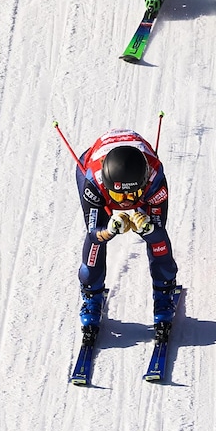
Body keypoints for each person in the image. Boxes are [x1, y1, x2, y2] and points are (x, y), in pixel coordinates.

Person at [75, 129, 179, 335]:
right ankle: (91, 296)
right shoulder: (94, 182)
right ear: (107, 185)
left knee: (156, 237)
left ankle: (163, 291)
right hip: (92, 163)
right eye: (118, 195)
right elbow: (93, 232)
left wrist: (149, 229)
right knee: (96, 242)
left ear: (143, 183)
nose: (125, 201)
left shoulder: (155, 179)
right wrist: (109, 230)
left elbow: (159, 229)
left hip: (135, 173)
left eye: (132, 194)